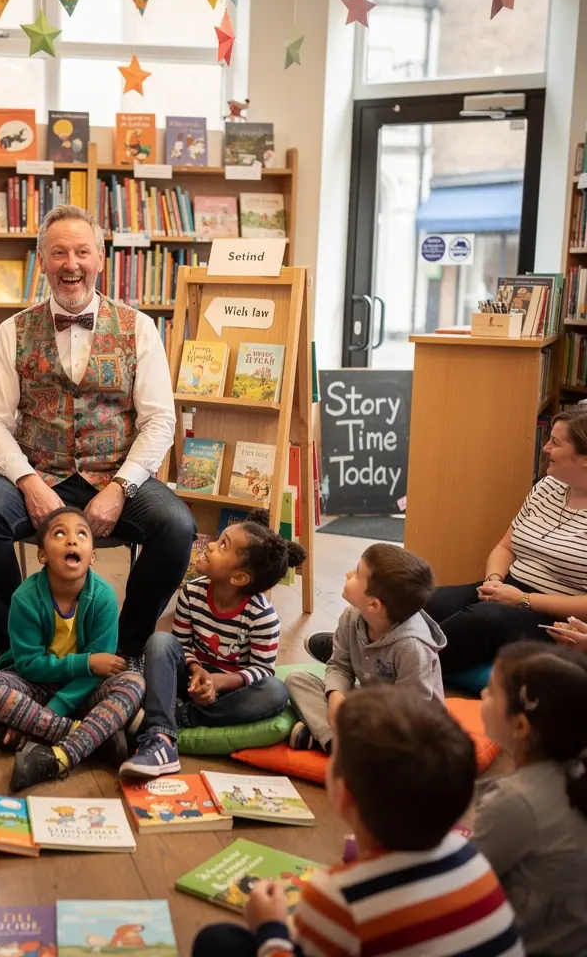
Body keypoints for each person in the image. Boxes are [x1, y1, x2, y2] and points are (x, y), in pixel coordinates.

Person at [0, 204, 195, 670]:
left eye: (82, 252)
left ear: (101, 258)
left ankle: (126, 649)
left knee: (177, 527)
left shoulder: (139, 328)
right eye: (59, 253)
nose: (71, 265)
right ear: (42, 261)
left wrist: (120, 488)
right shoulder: (13, 331)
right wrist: (27, 483)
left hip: (115, 474)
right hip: (36, 471)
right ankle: (14, 649)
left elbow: (159, 421)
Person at [192, 686, 523, 957]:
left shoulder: (337, 896)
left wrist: (271, 929)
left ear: (343, 791)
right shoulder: (474, 860)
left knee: (218, 943)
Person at [0, 506, 146, 793]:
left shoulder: (103, 598)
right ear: (42, 554)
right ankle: (89, 736)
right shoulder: (25, 598)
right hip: (33, 684)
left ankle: (53, 749)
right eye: (60, 533)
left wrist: (46, 712)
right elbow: (28, 665)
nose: (72, 540)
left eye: (82, 534)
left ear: (92, 556)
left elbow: (101, 671)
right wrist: (84, 664)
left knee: (133, 683)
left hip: (85, 691)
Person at [119, 521, 300, 779]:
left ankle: (177, 716)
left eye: (222, 545)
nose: (210, 545)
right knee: (160, 642)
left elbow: (262, 670)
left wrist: (218, 682)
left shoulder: (263, 617)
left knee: (275, 692)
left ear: (238, 577)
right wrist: (196, 670)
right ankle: (161, 738)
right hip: (190, 679)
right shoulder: (192, 592)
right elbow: (180, 644)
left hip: (229, 692)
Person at [425, 409, 587, 674]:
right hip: (508, 589)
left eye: (555, 443)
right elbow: (505, 546)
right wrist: (494, 581)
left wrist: (524, 599)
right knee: (429, 600)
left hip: (558, 619)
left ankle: (392, 667)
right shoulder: (547, 487)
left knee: (483, 621)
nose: (545, 448)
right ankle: (362, 649)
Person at [474, 642, 587, 955]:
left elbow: (461, 883)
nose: (482, 696)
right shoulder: (574, 769)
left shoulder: (515, 801)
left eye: (490, 691)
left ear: (521, 726)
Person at [284, 543, 441, 753]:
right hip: (366, 704)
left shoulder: (412, 646)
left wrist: (363, 715)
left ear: (374, 605)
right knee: (297, 680)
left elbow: (411, 711)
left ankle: (335, 741)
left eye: (357, 573)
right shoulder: (351, 617)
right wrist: (336, 696)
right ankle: (338, 742)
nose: (349, 573)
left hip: (405, 721)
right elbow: (340, 666)